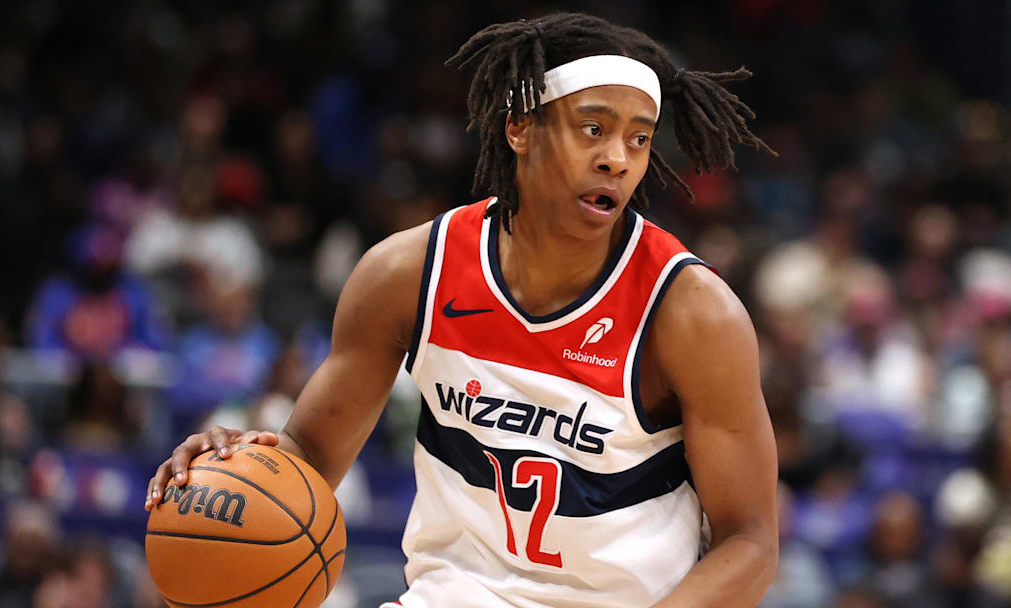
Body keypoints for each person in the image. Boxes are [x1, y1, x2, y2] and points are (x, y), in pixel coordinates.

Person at [145, 12, 779, 607]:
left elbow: (749, 542)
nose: (618, 158)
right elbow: (307, 454)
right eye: (594, 129)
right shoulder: (408, 273)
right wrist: (236, 473)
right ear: (519, 127)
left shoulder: (691, 313)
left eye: (638, 139)